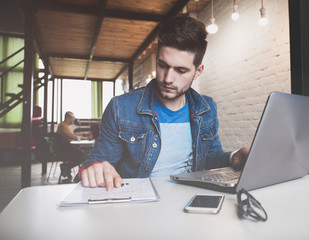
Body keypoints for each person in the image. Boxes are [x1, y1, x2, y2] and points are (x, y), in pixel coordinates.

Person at [75, 16, 249, 191]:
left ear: (198, 71)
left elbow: (210, 158)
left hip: (190, 201)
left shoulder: (207, 108)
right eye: (163, 65)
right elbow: (97, 160)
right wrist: (95, 167)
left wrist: (233, 158)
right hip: (139, 206)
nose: (168, 79)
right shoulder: (120, 108)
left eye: (181, 70)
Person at [56, 111, 92, 181]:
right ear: (68, 118)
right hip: (65, 150)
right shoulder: (63, 126)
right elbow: (74, 137)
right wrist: (87, 138)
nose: (73, 120)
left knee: (82, 155)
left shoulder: (64, 126)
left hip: (66, 148)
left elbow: (73, 136)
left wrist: (85, 134)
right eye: (73, 118)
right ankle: (66, 166)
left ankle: (66, 167)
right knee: (83, 156)